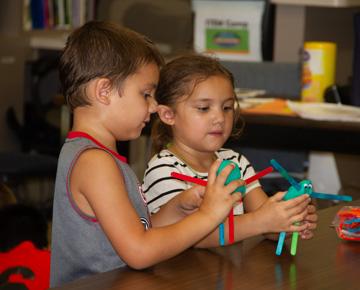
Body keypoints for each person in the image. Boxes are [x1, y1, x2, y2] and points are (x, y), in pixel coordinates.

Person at [50, 21, 246, 287]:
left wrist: (176, 208)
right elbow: (139, 252)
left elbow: (135, 230)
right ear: (104, 91)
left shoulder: (94, 154)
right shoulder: (94, 162)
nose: (153, 107)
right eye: (145, 94)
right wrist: (208, 215)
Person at [142, 53, 317, 247]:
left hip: (230, 271)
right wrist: (259, 221)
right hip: (180, 276)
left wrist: (289, 218)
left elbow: (267, 226)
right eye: (203, 108)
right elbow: (190, 238)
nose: (219, 117)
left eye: (226, 107)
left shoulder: (236, 162)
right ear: (168, 114)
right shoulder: (164, 170)